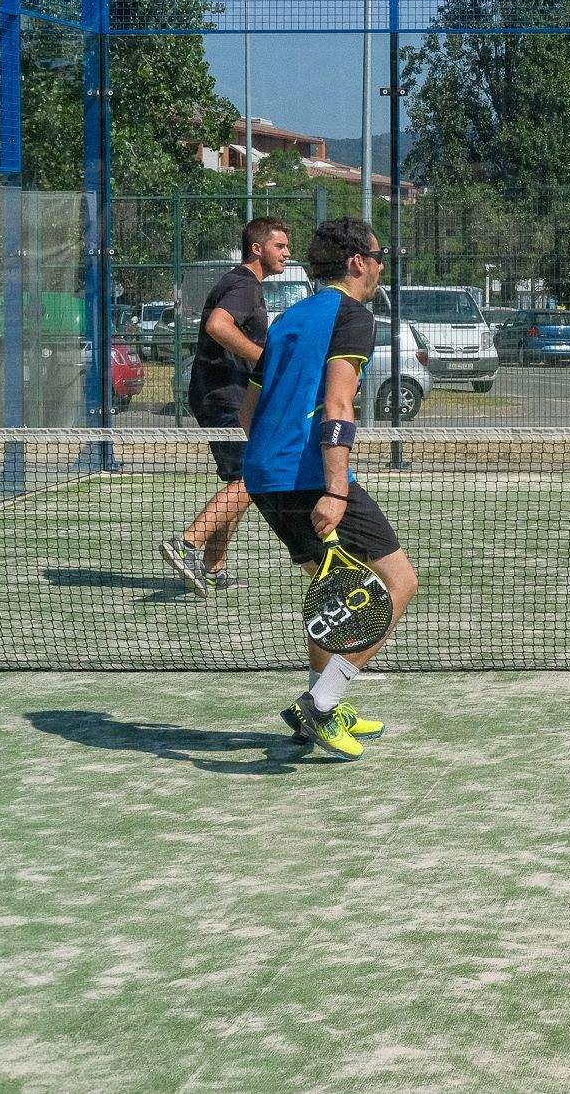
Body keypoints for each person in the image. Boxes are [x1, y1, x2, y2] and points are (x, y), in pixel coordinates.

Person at [240, 218, 418, 761]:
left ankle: (322, 704)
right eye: (379, 254)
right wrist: (335, 490)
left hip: (267, 475)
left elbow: (252, 406)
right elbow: (340, 406)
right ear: (357, 261)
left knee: (336, 594)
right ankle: (319, 705)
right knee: (398, 583)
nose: (383, 264)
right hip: (312, 477)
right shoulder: (353, 316)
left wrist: (277, 454)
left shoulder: (291, 316)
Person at [160, 217, 290, 597]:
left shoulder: (243, 284)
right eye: (280, 246)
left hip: (225, 395)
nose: (287, 252)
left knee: (242, 481)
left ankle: (213, 568)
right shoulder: (243, 286)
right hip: (224, 396)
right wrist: (263, 361)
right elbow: (219, 326)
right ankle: (187, 544)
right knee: (251, 480)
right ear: (257, 248)